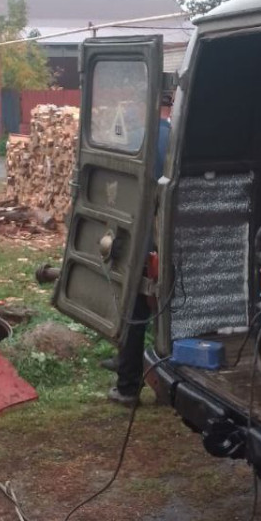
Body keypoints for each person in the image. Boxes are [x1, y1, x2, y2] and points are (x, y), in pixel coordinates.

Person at [107, 92, 172, 406]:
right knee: (166, 312)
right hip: (170, 238)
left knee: (134, 312)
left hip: (140, 237)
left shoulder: (134, 139)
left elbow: (115, 184)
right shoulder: (176, 137)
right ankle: (166, 383)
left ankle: (128, 386)